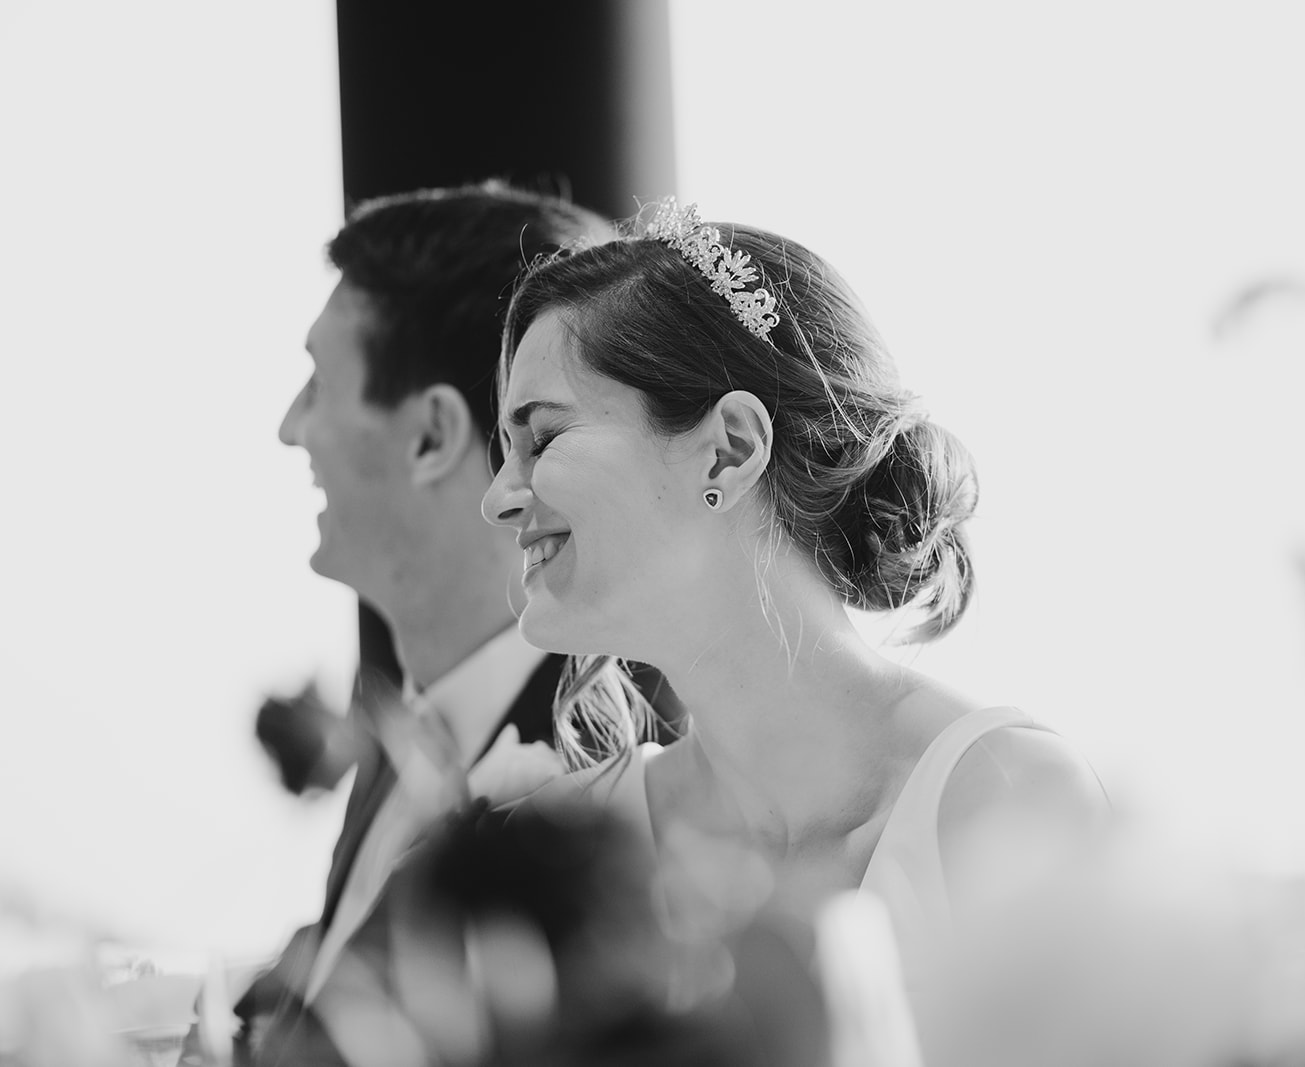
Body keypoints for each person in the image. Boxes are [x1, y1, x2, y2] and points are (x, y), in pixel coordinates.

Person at [480, 199, 1111, 981]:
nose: (499, 498)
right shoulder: (571, 844)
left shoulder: (1002, 802)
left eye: (542, 438)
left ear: (728, 450)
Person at [184, 183, 679, 1065]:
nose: (290, 427)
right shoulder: (397, 742)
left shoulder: (605, 789)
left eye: (318, 382)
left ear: (431, 436)